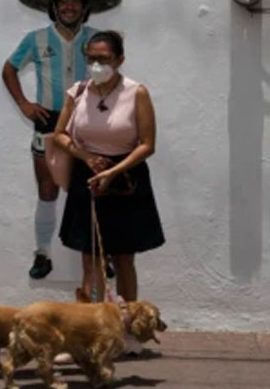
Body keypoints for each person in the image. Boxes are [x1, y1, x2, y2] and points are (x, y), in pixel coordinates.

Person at [2, 0, 121, 280]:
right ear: (53, 7)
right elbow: (9, 69)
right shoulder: (36, 38)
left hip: (88, 119)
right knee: (47, 188)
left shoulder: (97, 39)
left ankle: (102, 251)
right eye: (63, 1)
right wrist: (25, 104)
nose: (69, 6)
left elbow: (112, 73)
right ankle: (42, 253)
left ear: (84, 7)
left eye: (75, 1)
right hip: (49, 121)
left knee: (97, 186)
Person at [50, 31, 165, 353]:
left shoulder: (136, 93)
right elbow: (59, 135)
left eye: (104, 59)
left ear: (119, 60)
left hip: (125, 177)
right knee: (91, 257)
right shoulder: (79, 91)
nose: (97, 65)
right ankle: (89, 331)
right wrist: (86, 158)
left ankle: (130, 331)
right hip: (88, 175)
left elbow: (147, 144)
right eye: (91, 58)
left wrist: (114, 171)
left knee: (124, 257)